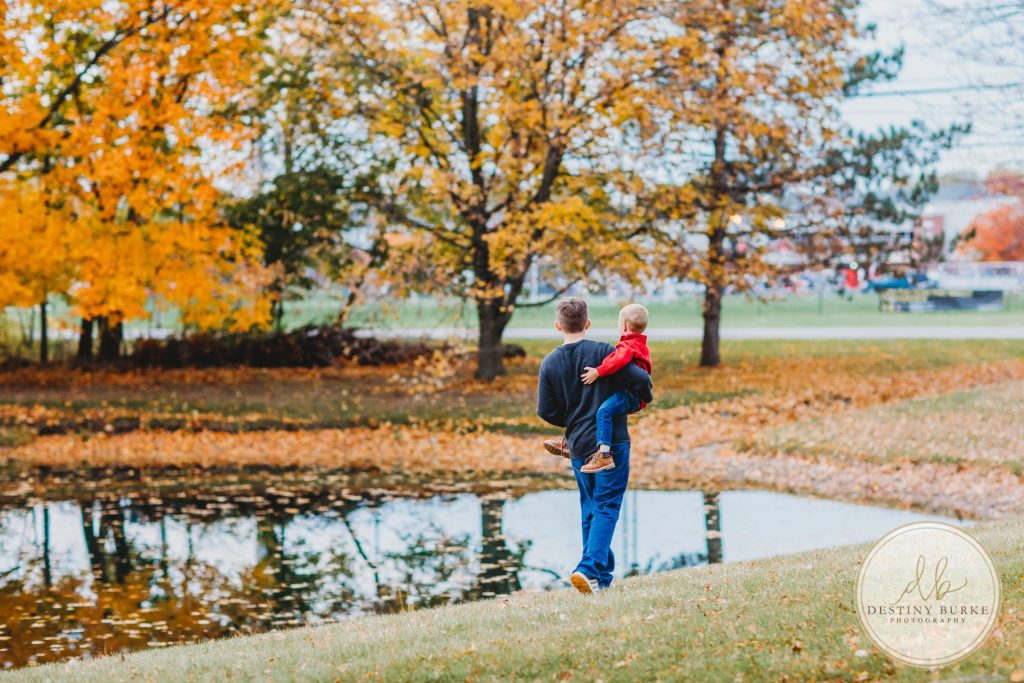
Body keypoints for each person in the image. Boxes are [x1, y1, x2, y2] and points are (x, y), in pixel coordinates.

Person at [536, 297, 653, 594]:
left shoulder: (550, 363)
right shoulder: (604, 352)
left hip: (577, 443)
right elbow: (641, 380)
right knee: (606, 505)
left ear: (558, 326)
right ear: (587, 323)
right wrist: (642, 397)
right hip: (611, 443)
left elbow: (546, 411)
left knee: (591, 508)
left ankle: (600, 577)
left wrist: (571, 419)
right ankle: (588, 569)